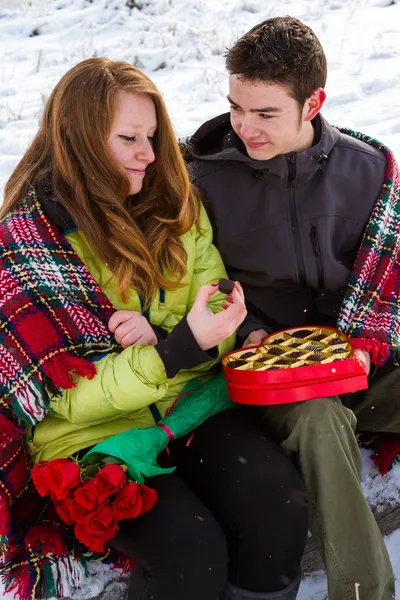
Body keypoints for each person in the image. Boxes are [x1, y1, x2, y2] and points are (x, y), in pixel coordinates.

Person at [0, 58, 308, 600]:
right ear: (80, 142)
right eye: (128, 138)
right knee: (190, 552)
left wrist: (182, 338)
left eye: (152, 135)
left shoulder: (174, 208)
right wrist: (175, 348)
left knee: (275, 500)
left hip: (187, 403)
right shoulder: (29, 243)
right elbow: (62, 396)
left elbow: (211, 311)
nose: (149, 153)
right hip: (90, 441)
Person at [186, 16, 400, 600]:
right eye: (236, 107)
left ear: (313, 103)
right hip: (272, 381)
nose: (244, 127)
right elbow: (194, 282)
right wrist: (249, 331)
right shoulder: (199, 179)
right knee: (320, 420)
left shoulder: (369, 170)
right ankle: (367, 593)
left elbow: (388, 280)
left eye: (264, 113)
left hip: (359, 358)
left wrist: (365, 340)